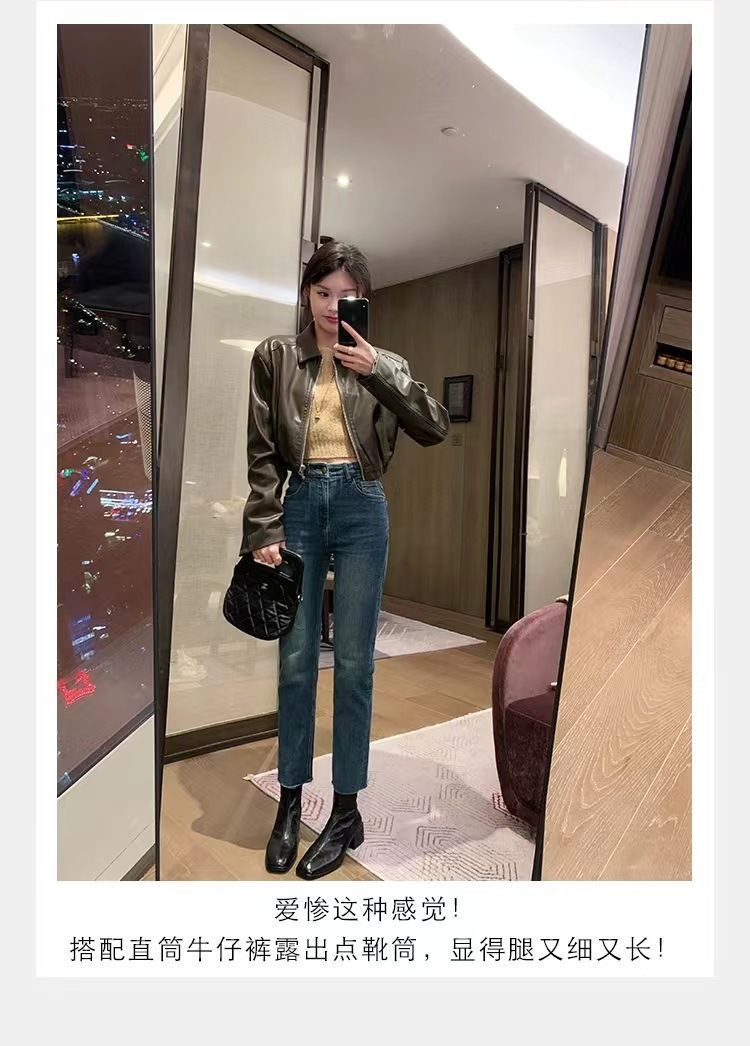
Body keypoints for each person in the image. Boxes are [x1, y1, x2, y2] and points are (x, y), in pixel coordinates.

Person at [240, 241, 450, 879]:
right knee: (296, 662)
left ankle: (346, 810)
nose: (333, 306)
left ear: (365, 300)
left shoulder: (384, 363)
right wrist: (264, 524)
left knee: (356, 664)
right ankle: (290, 800)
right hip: (302, 504)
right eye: (323, 293)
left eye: (346, 295)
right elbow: (262, 451)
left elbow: (434, 427)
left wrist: (378, 372)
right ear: (307, 294)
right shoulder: (277, 356)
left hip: (363, 505)